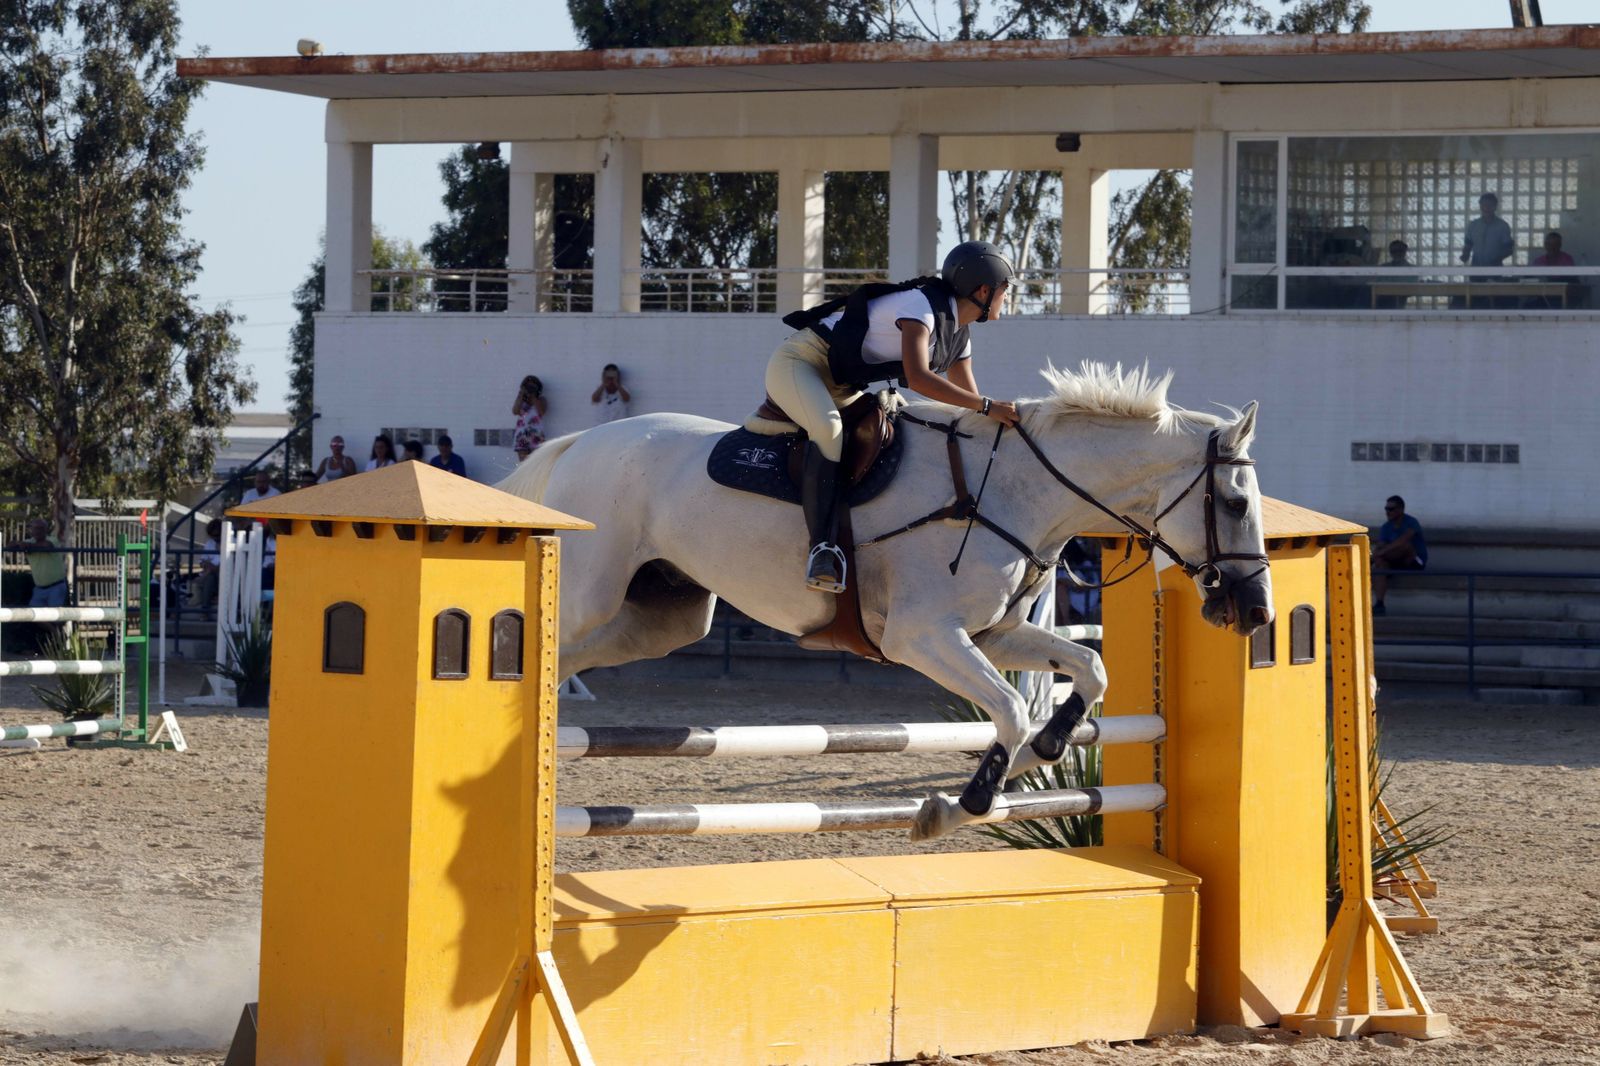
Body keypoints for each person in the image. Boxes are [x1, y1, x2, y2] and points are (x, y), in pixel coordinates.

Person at [772, 240, 1019, 593]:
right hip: (801, 362)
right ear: (984, 290)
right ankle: (822, 548)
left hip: (842, 385)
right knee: (828, 429)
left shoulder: (959, 336)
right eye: (1005, 289)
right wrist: (988, 406)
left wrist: (1005, 426)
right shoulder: (921, 307)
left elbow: (968, 404)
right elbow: (919, 378)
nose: (1006, 297)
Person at [1372, 495, 1427, 616]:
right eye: (1386, 509)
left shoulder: (1411, 522)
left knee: (1405, 546)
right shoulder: (1386, 527)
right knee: (1379, 566)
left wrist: (1381, 553)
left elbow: (1403, 541)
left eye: (1391, 509)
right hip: (1395, 561)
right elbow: (1380, 545)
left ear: (1401, 509)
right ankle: (1379, 604)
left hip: (1414, 562)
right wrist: (1376, 556)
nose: (1387, 512)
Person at [22, 518, 68, 608]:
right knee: (33, 613)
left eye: (41, 528)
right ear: (31, 530)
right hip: (39, 588)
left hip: (56, 587)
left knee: (55, 614)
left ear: (46, 530)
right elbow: (11, 545)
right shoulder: (28, 541)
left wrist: (28, 546)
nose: (38, 531)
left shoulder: (53, 540)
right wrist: (19, 544)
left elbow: (47, 546)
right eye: (36, 528)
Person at [187, 518, 225, 609]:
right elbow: (202, 561)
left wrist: (210, 568)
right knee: (210, 578)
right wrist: (207, 566)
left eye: (217, 535)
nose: (215, 538)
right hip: (210, 573)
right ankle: (205, 608)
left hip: (223, 575)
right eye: (212, 535)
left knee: (210, 576)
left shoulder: (232, 541)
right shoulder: (209, 543)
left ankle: (205, 609)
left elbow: (225, 563)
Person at [512, 375, 547, 461]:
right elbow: (515, 411)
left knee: (536, 462)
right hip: (522, 434)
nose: (530, 388)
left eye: (533, 386)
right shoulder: (521, 400)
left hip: (536, 434)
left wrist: (533, 396)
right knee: (523, 464)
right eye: (528, 386)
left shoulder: (541, 400)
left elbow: (541, 412)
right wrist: (521, 394)